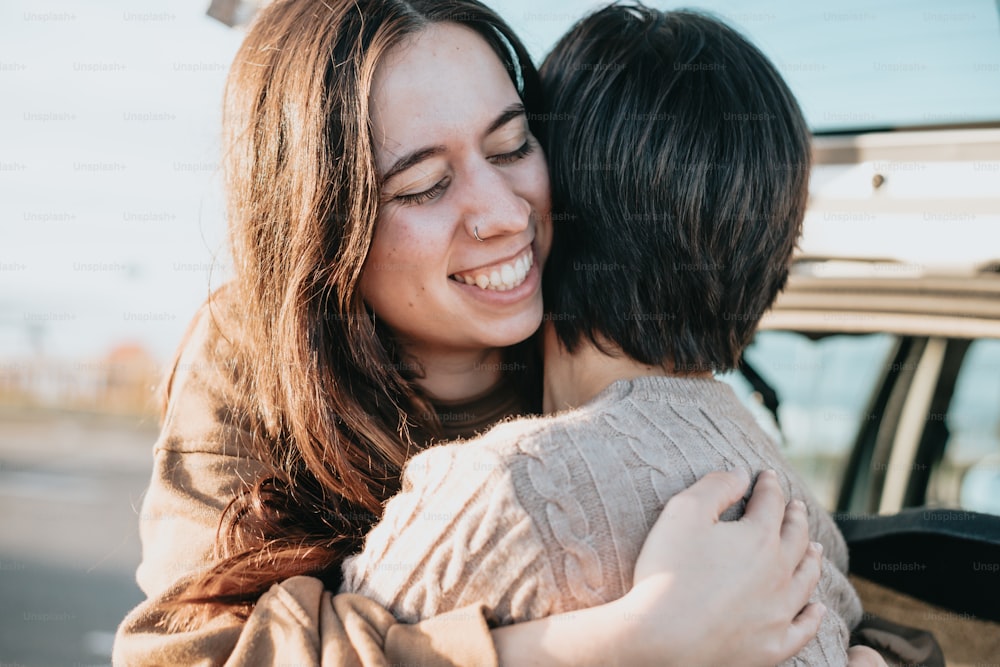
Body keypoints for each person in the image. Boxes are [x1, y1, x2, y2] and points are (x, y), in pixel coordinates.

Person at [113, 1, 827, 665]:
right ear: (322, 229)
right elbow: (190, 651)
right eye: (424, 185)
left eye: (513, 146)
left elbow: (812, 562)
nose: (503, 214)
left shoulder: (589, 327)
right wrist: (623, 641)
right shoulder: (251, 349)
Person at [339, 6, 890, 666]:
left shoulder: (501, 496)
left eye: (515, 150)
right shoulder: (800, 518)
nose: (502, 206)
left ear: (562, 199)